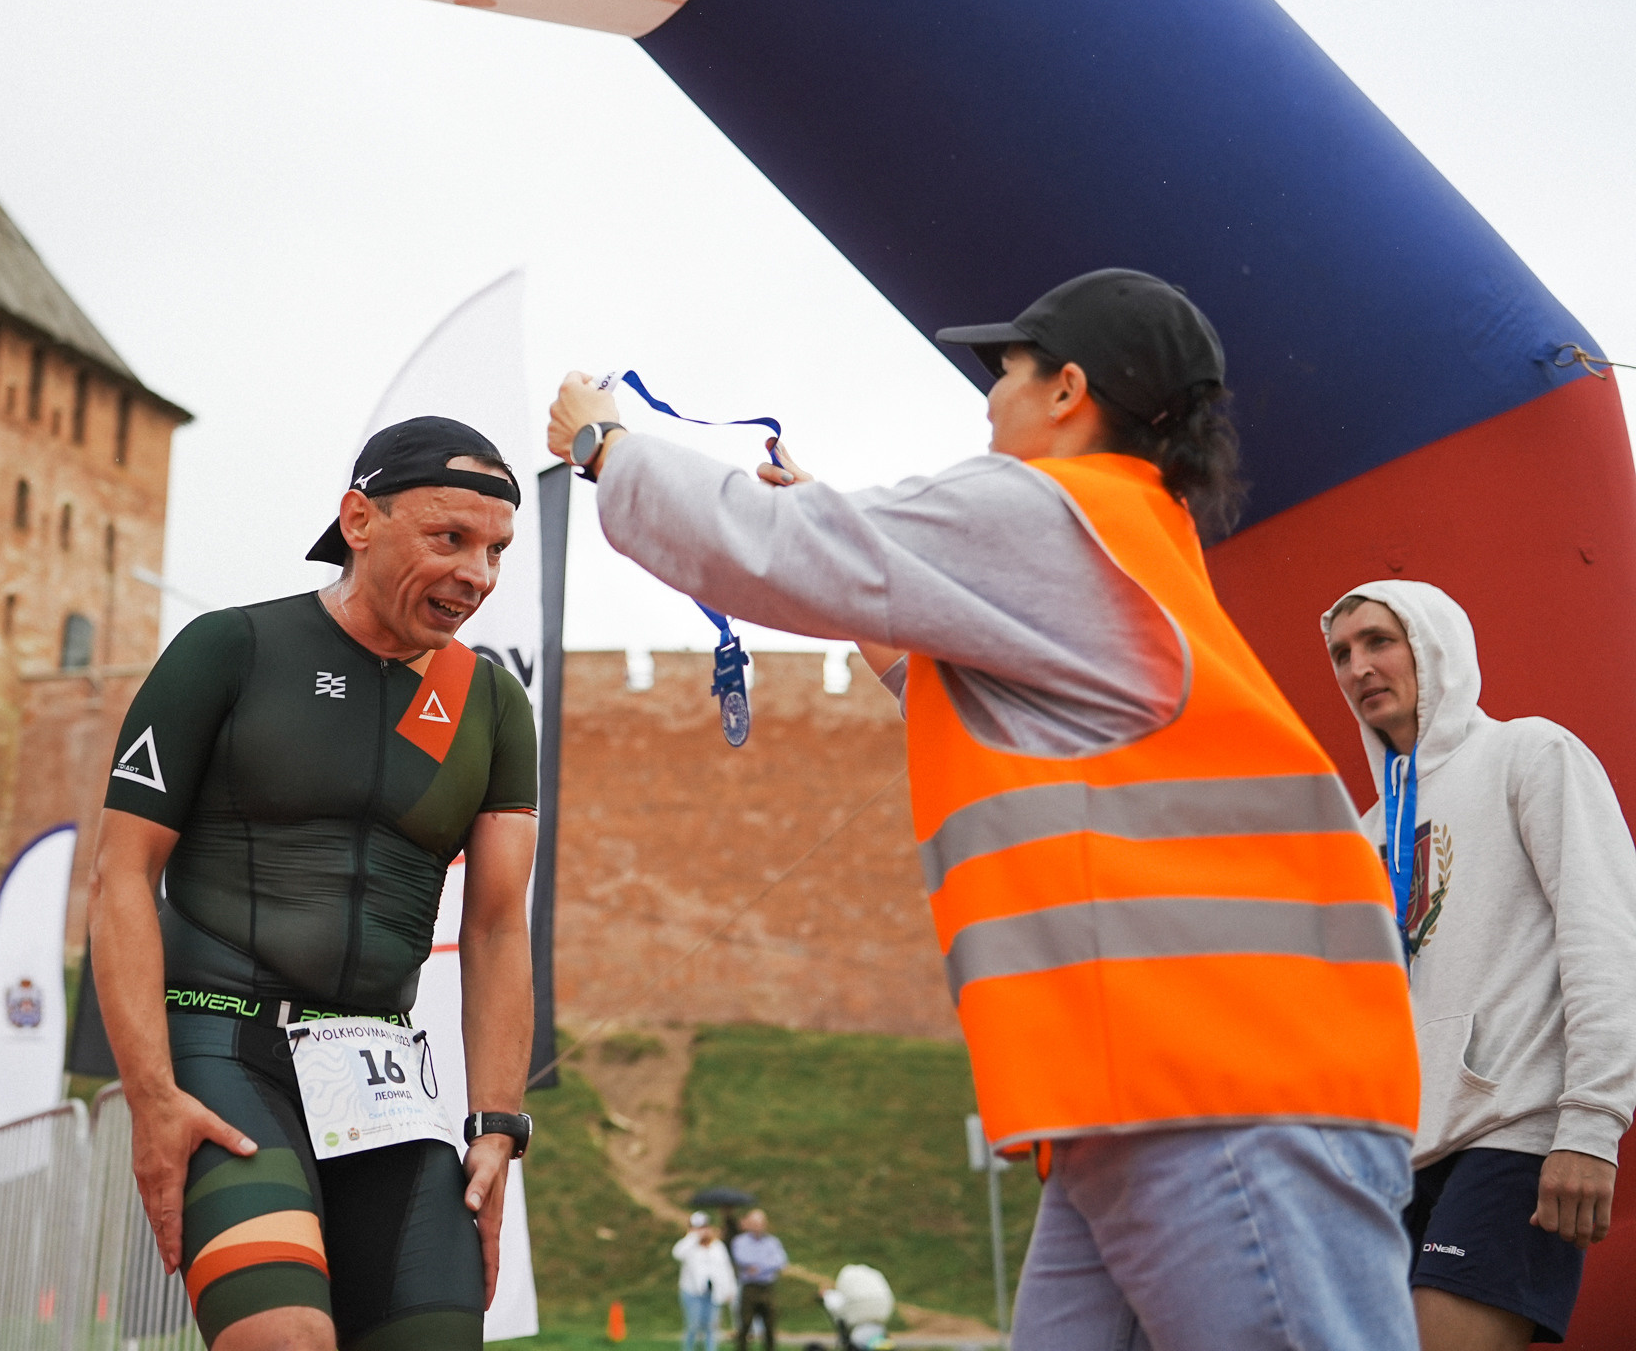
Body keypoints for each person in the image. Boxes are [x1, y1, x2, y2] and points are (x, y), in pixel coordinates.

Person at [547, 269, 1422, 1350]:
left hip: (1222, 1098)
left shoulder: (1052, 509)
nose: (988, 397)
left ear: (1068, 390)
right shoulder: (1131, 532)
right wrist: (867, 576)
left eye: (1003, 369)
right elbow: (996, 701)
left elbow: (781, 551)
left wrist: (608, 450)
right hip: (1161, 1100)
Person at [88, 416, 542, 1351]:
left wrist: (497, 1126)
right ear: (359, 520)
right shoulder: (231, 649)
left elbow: (497, 930)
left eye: (495, 550)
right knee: (284, 1338)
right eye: (448, 539)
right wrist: (150, 1095)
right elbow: (121, 877)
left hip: (378, 1076)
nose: (477, 575)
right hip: (224, 1051)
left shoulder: (491, 704)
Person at [1324, 582, 1636, 1349]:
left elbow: (1605, 936)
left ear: (1434, 645)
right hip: (1395, 1160)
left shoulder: (1529, 753)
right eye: (1341, 653)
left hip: (1515, 1130)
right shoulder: (1362, 835)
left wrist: (1591, 1126)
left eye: (1378, 641)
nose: (1358, 666)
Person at [673, 1211, 739, 1351]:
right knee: (693, 1326)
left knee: (712, 1327)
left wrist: (730, 1289)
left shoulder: (717, 1247)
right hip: (693, 1293)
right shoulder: (689, 1247)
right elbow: (677, 1253)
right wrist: (693, 1236)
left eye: (704, 1227)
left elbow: (726, 1268)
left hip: (713, 1293)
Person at [728, 1209, 787, 1351]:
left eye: (760, 1223)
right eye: (754, 1223)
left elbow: (780, 1261)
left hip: (767, 1287)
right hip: (750, 1288)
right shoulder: (740, 1241)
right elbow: (742, 1259)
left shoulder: (772, 1242)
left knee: (770, 1325)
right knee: (745, 1324)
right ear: (748, 1224)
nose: (757, 1226)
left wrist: (759, 1267)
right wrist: (767, 1264)